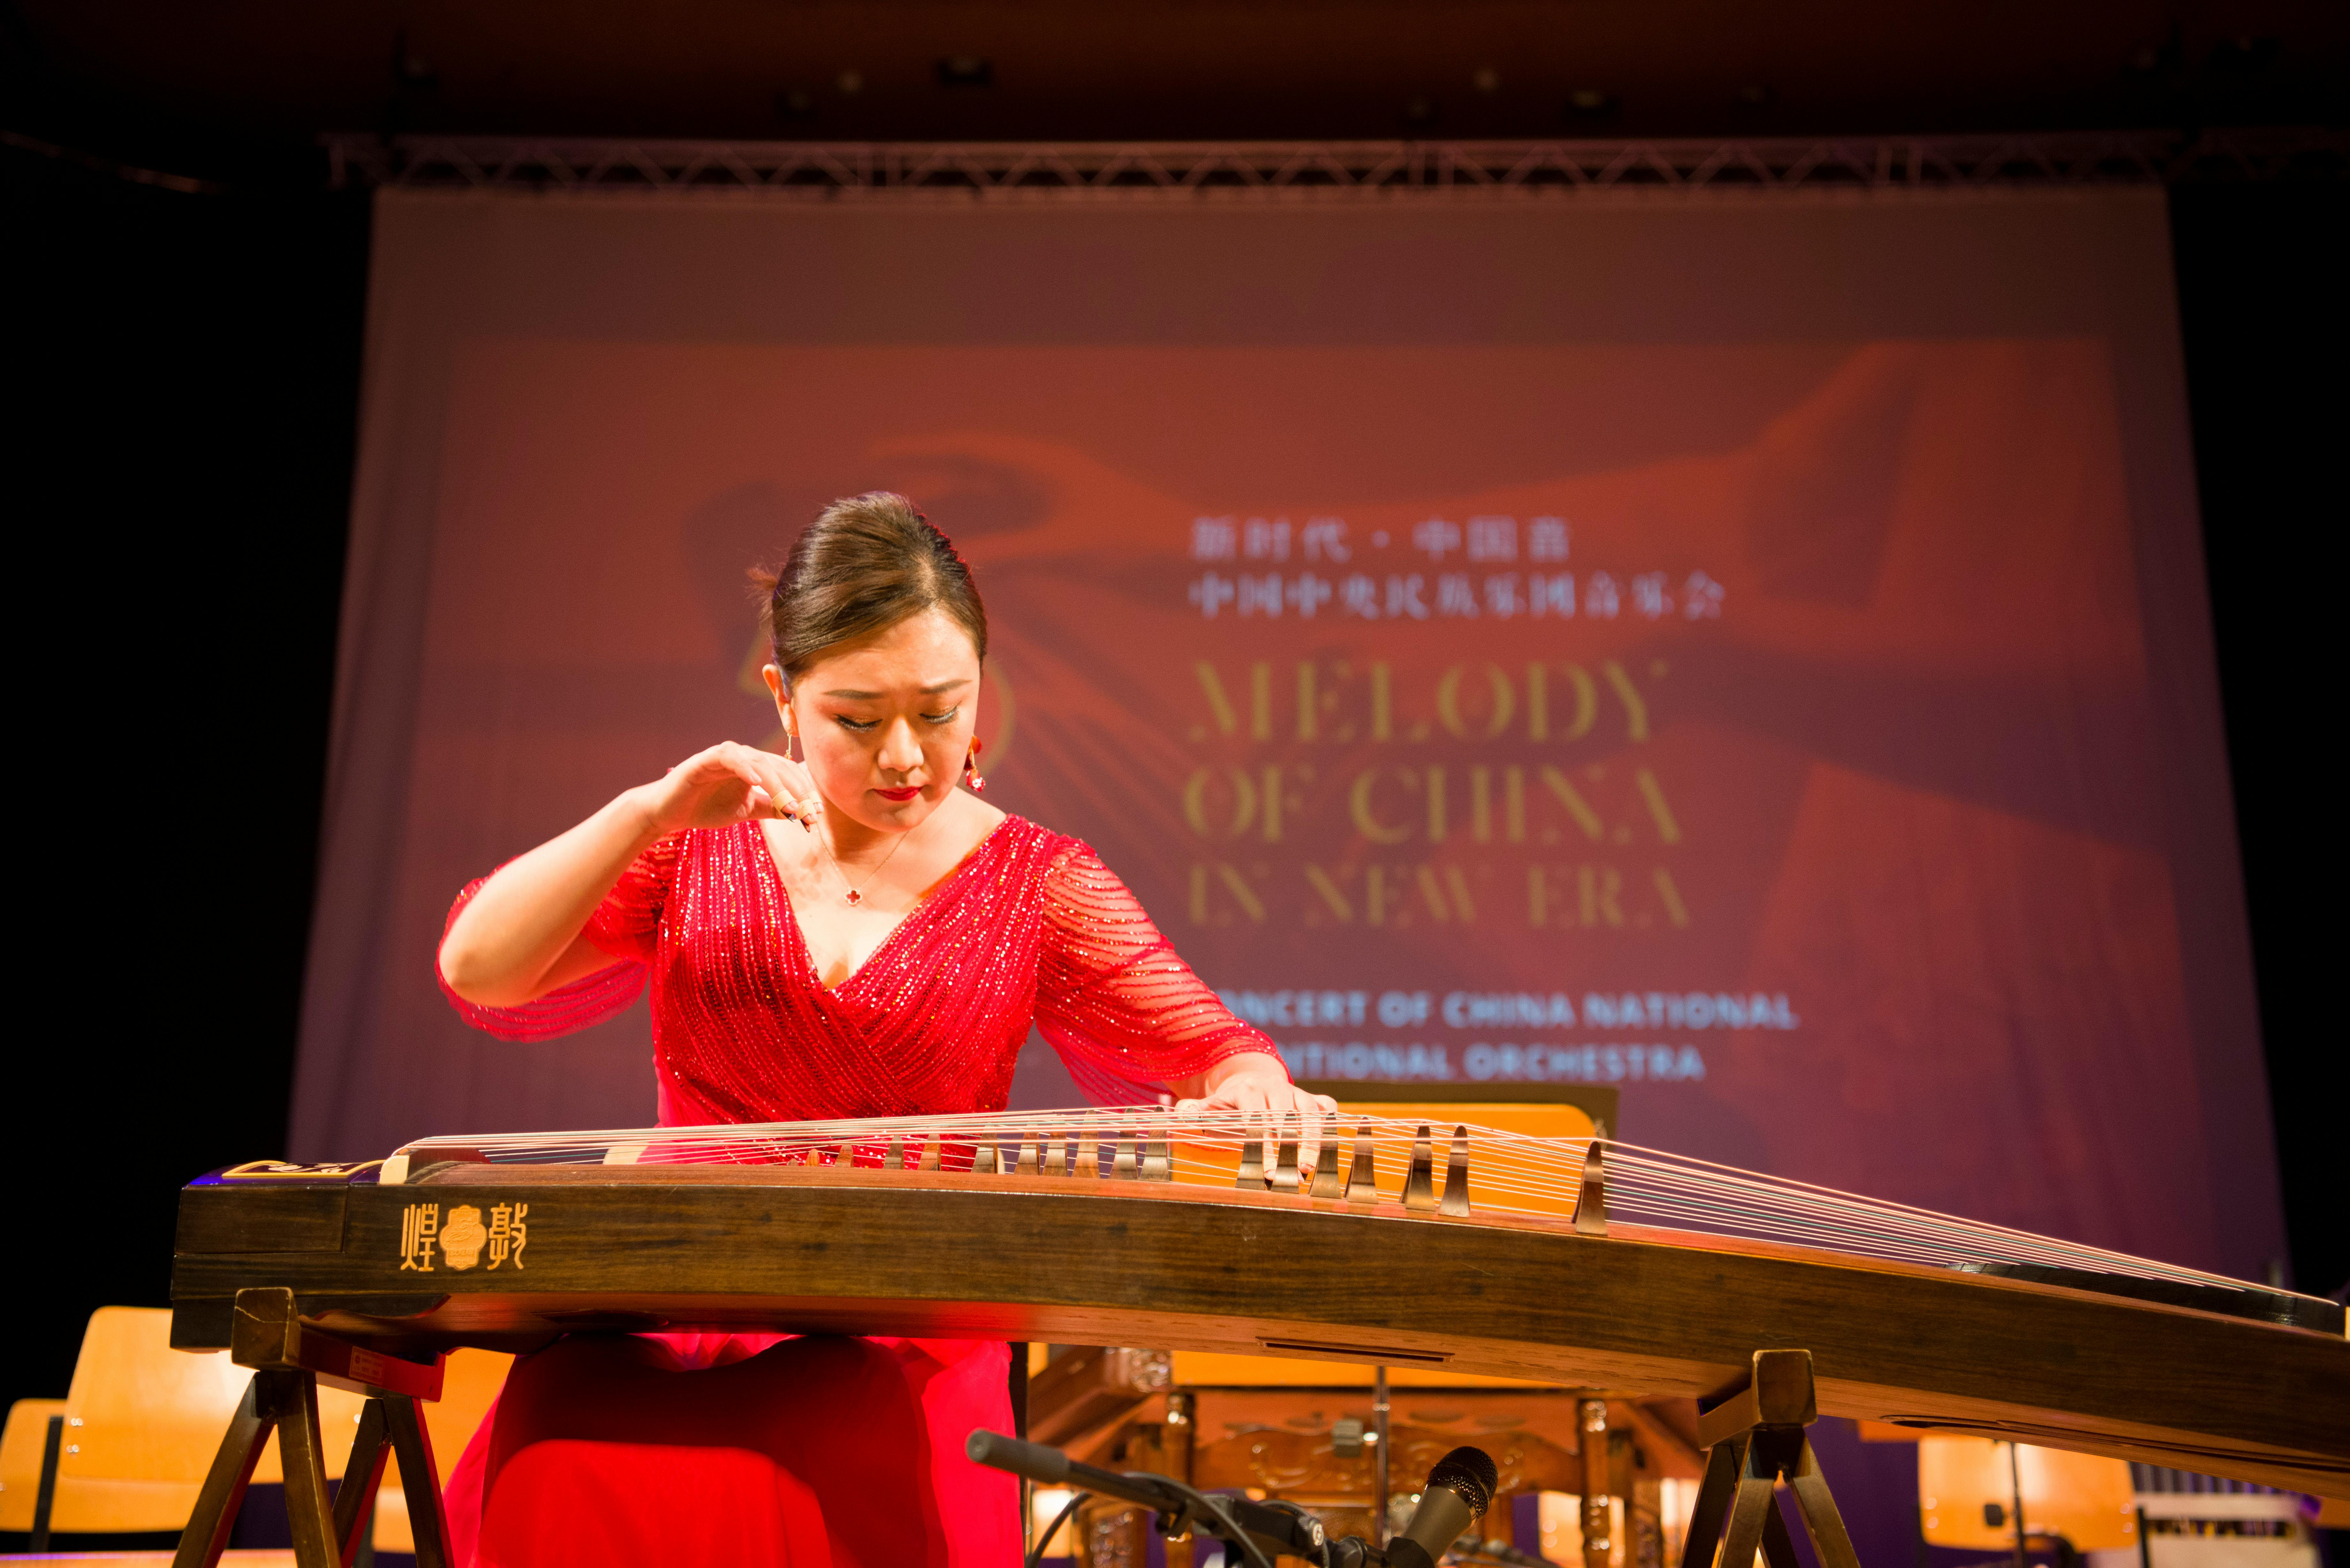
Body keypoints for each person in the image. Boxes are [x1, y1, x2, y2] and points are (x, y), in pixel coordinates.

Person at [434, 491, 1332, 1568]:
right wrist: (649, 811)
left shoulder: (1039, 883)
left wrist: (1252, 1089)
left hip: (902, 1334)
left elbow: (1214, 1048)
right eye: (858, 720)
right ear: (782, 698)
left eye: (941, 711)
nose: (905, 755)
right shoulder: (697, 849)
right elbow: (480, 967)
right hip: (673, 1302)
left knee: (825, 1422)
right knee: (558, 1417)